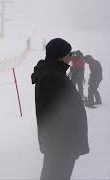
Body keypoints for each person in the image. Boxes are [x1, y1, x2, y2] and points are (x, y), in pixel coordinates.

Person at [31, 38, 89, 180]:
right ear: (61, 55)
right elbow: (61, 115)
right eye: (69, 54)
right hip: (62, 144)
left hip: (58, 143)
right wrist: (72, 145)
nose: (70, 58)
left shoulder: (52, 74)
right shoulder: (54, 78)